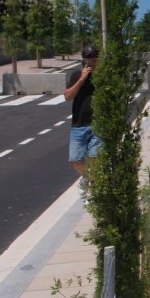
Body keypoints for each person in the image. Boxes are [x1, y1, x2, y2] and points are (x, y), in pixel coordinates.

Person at [64, 44, 101, 198]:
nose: (92, 60)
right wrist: (82, 79)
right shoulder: (76, 75)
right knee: (75, 160)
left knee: (95, 157)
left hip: (97, 124)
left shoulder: (103, 76)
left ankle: (93, 189)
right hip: (79, 124)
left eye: (94, 56)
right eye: (89, 57)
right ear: (84, 59)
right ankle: (88, 178)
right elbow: (67, 96)